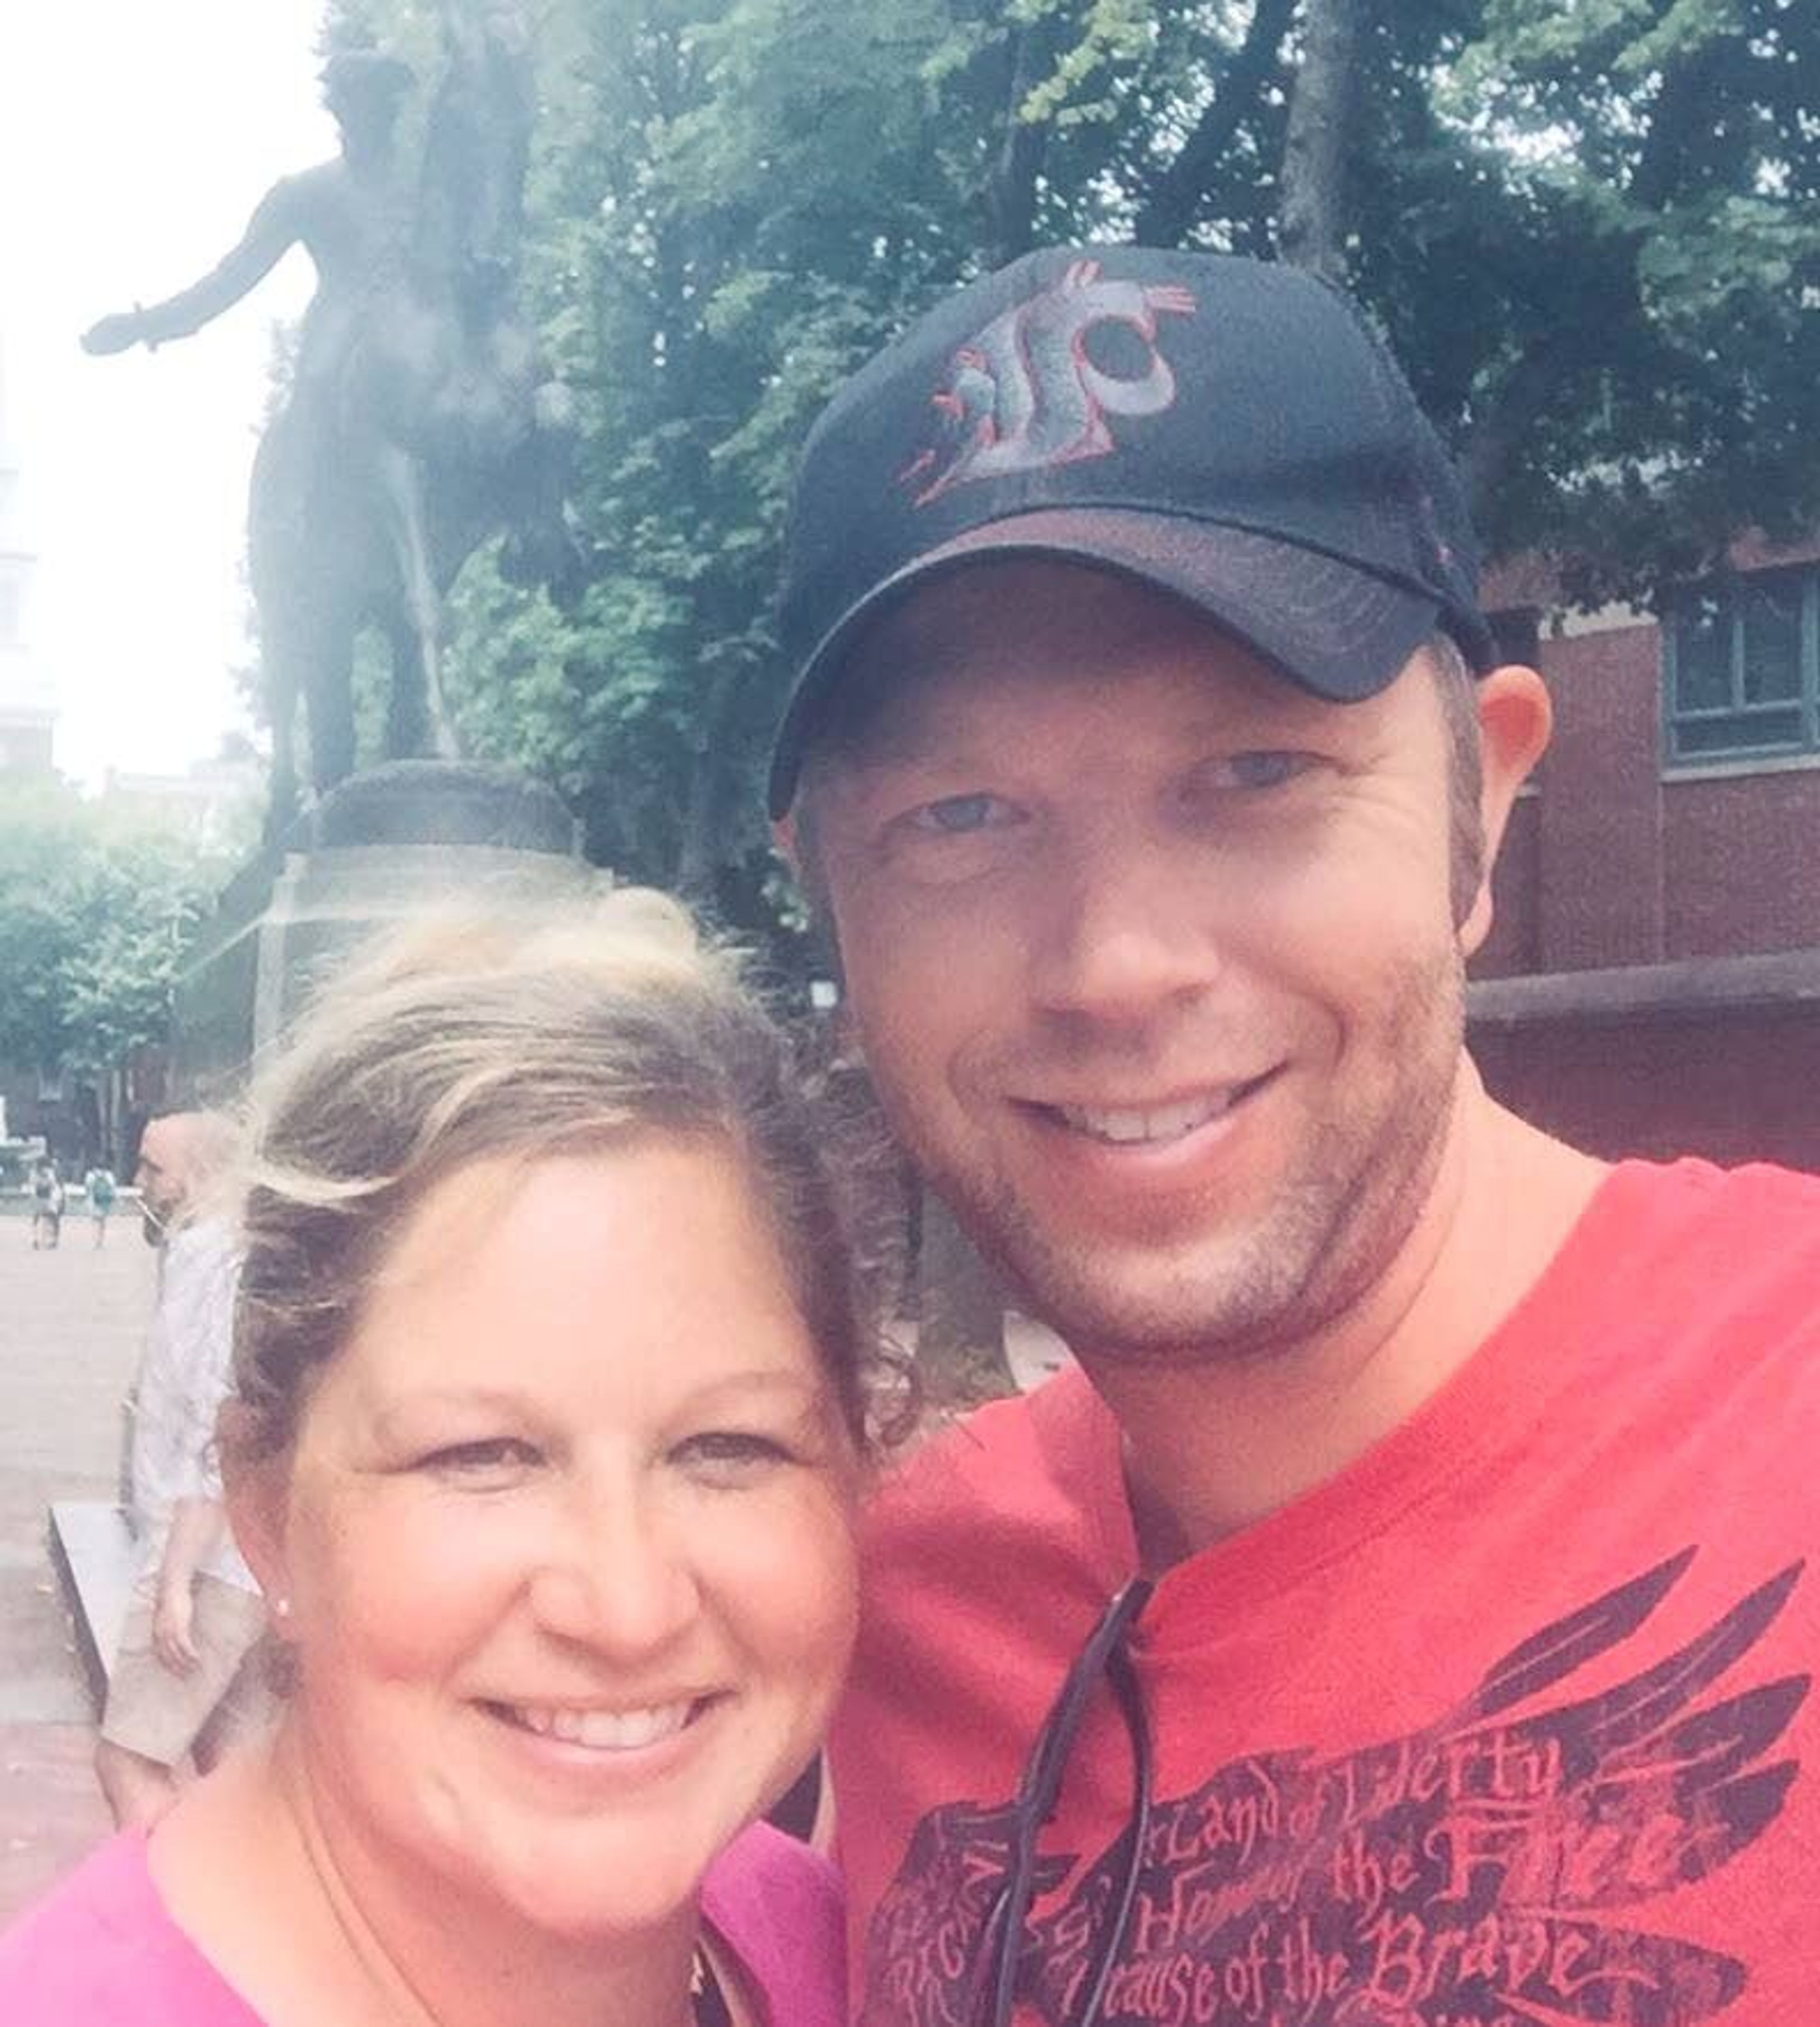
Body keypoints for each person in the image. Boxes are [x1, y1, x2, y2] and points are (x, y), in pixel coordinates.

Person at [769, 245, 1820, 2026]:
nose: (1115, 964)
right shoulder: (888, 1602)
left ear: (1480, 802)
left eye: (1255, 774)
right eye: (960, 815)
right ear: (829, 904)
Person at [0, 889, 876, 2027]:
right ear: (265, 1509)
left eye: (728, 1445)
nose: (625, 1606)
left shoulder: (816, 1934)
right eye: (482, 1454)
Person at [96, 1113, 266, 1829]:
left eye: (153, 1169)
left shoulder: (211, 1258)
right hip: (242, 1563)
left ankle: (172, 1925)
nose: (141, 1185)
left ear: (197, 1176)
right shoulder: (234, 1258)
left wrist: (174, 1583)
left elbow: (213, 1430)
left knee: (130, 1760)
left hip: (204, 1559)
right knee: (238, 1772)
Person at [29, 1157, 64, 1249]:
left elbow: (53, 1185)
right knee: (38, 1218)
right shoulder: (35, 1173)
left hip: (48, 1198)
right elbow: (34, 1186)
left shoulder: (49, 1173)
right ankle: (36, 1239)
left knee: (53, 1218)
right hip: (41, 1197)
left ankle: (51, 1240)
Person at [83, 1162, 118, 1247]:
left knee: (95, 1222)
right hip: (105, 1202)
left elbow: (87, 1189)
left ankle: (96, 1240)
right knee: (102, 1222)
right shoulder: (109, 1176)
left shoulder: (90, 1176)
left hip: (94, 1202)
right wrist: (117, 1199)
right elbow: (113, 1189)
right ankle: (100, 1240)